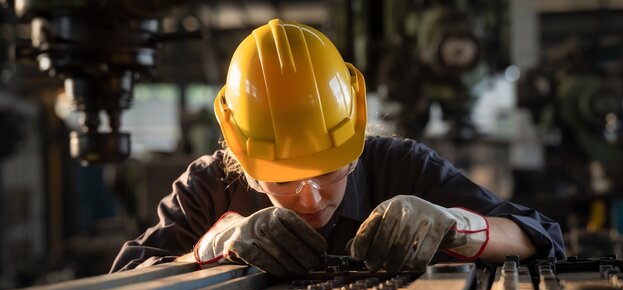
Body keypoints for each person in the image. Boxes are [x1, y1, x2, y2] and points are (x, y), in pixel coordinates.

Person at [110, 19, 564, 274]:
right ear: (245, 165)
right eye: (284, 180)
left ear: (354, 143)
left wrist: (456, 228)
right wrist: (213, 245)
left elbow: (540, 238)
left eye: (329, 171)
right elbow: (122, 281)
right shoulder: (208, 186)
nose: (310, 198)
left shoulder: (401, 168)